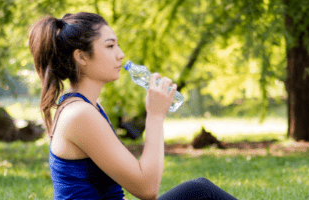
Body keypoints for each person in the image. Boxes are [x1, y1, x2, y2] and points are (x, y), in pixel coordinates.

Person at [28, 12, 238, 200]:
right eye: (110, 46)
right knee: (200, 192)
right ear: (81, 56)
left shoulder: (86, 108)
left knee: (199, 189)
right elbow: (147, 189)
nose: (120, 54)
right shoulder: (79, 114)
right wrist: (155, 116)